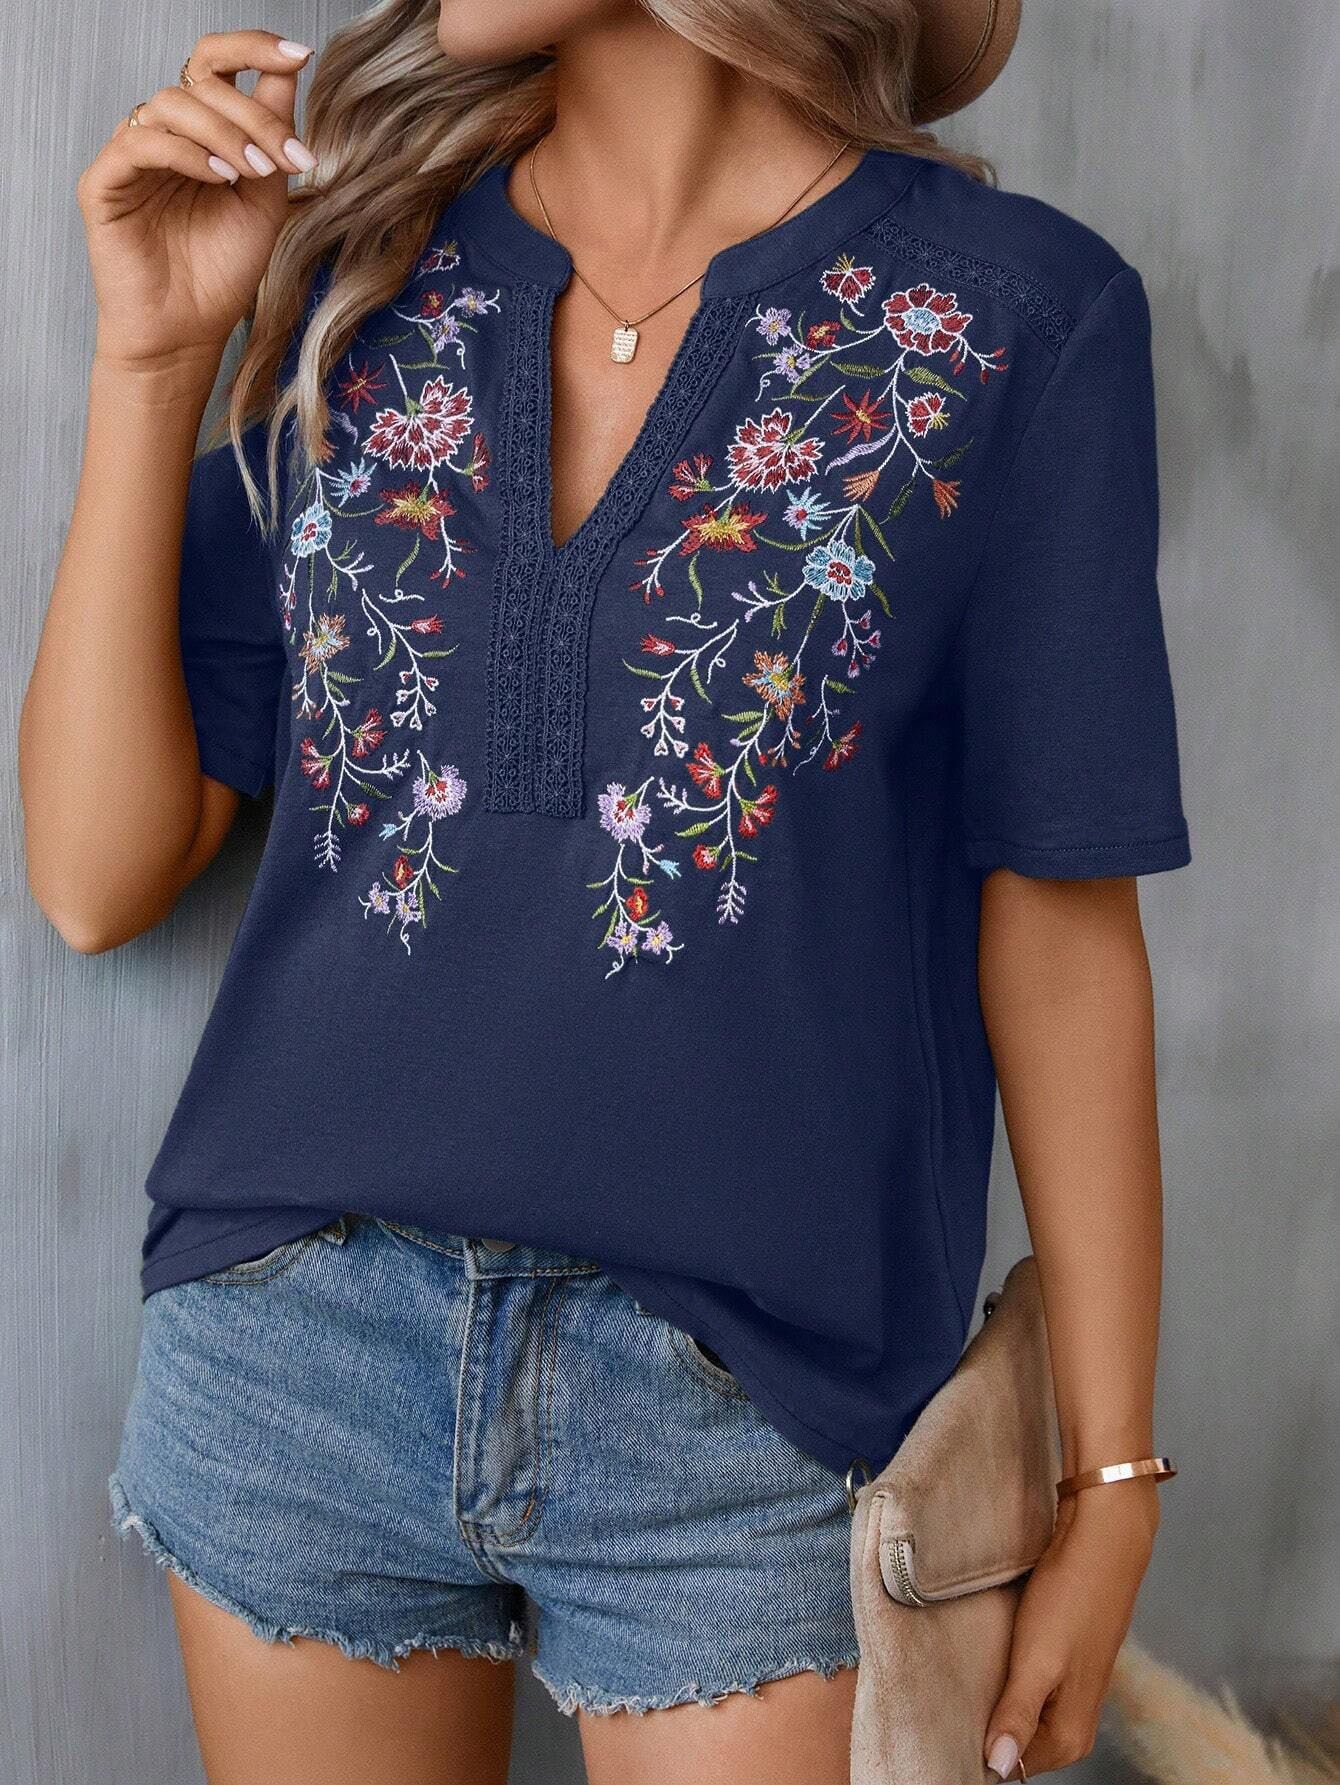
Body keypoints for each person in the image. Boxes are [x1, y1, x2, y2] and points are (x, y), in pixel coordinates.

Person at [18, 2, 1192, 1780]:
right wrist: (151, 358)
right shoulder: (360, 261)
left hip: (751, 1417)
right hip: (295, 1357)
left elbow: (1059, 920)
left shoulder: (1018, 316)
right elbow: (93, 874)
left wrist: (1110, 1474)